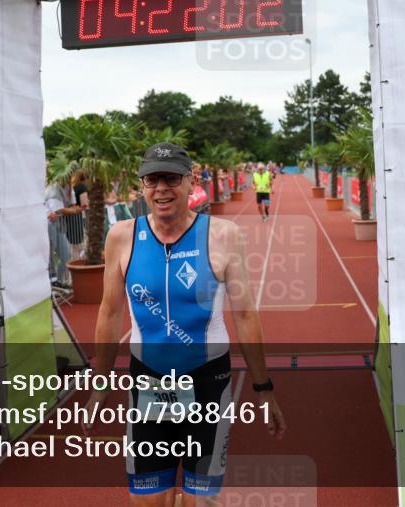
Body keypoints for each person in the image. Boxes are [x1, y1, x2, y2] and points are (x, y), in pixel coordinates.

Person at [85, 142, 285, 504]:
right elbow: (110, 312)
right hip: (146, 385)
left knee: (201, 501)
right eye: (152, 180)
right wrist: (100, 382)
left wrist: (264, 389)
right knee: (148, 501)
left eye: (171, 178)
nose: (161, 188)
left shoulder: (223, 235)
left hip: (208, 384)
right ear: (141, 185)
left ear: (190, 181)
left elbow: (244, 314)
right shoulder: (121, 237)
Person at [45, 166, 79, 289]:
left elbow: (72, 207)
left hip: (59, 224)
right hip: (49, 224)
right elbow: (59, 209)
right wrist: (72, 210)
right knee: (49, 254)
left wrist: (70, 210)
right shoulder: (54, 189)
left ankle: (58, 280)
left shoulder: (68, 188)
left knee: (66, 254)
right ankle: (52, 281)